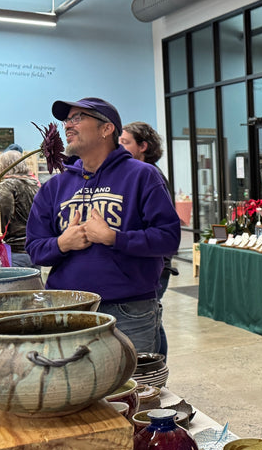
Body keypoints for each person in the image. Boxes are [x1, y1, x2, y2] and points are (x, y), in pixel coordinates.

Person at [25, 97, 181, 354]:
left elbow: (168, 238)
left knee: (134, 390)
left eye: (78, 118)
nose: (67, 126)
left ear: (106, 129)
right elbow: (35, 247)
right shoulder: (55, 186)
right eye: (66, 120)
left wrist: (114, 238)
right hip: (67, 310)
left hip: (129, 312)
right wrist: (63, 243)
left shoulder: (142, 176)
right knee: (74, 389)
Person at [119, 121, 179, 358]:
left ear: (143, 146)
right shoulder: (133, 175)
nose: (119, 147)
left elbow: (164, 230)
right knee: (152, 317)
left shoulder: (151, 176)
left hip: (156, 263)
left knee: (149, 317)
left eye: (125, 142)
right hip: (147, 259)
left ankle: (157, 366)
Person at [0, 149, 40, 268]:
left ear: (3, 166)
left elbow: (4, 212)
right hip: (35, 249)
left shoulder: (7, 185)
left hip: (14, 250)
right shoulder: (35, 185)